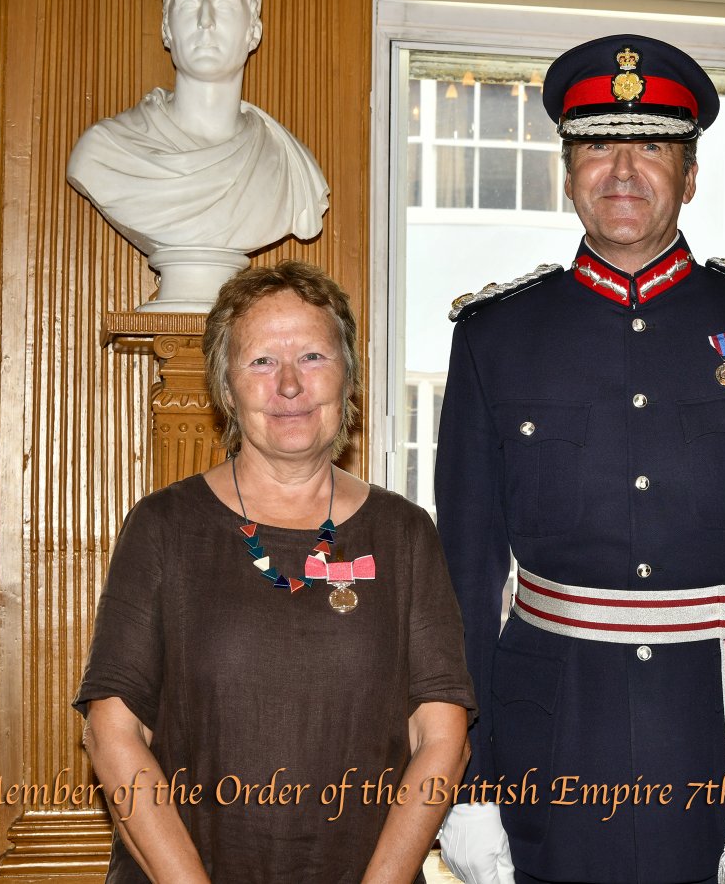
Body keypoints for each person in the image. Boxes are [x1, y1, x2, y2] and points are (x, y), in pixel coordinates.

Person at [435, 35, 725, 884]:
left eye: (651, 146)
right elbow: (463, 583)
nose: (623, 169)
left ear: (692, 172)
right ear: (567, 172)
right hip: (555, 741)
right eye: (598, 144)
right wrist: (470, 785)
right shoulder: (495, 339)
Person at [74, 260, 475, 883]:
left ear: (348, 378)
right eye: (261, 361)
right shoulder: (162, 528)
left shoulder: (404, 535)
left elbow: (441, 740)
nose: (289, 385)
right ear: (226, 386)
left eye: (313, 357)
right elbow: (112, 735)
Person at [66, 0, 329, 259]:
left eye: (225, 5)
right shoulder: (105, 153)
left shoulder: (286, 164)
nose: (205, 21)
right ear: (167, 28)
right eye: (189, 4)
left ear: (254, 31)